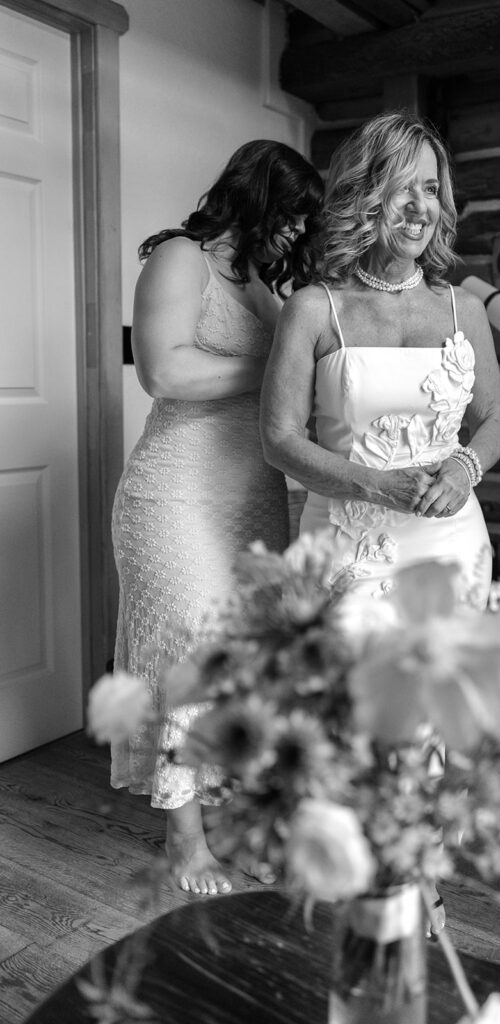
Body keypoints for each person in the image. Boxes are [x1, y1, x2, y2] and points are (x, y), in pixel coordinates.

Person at [259, 111, 500, 937]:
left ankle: (414, 878)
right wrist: (373, 482)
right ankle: (380, 884)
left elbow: (494, 423)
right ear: (365, 196)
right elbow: (279, 439)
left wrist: (464, 468)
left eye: (430, 189)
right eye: (401, 188)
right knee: (369, 723)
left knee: (442, 724)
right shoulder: (314, 309)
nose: (419, 208)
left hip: (448, 539)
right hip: (354, 541)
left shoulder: (461, 309)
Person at [111, 141, 323, 896]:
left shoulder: (264, 284)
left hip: (252, 499)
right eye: (292, 213)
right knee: (192, 654)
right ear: (255, 196)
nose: (299, 232)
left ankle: (228, 815)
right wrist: (278, 366)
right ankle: (185, 842)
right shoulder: (181, 258)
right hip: (174, 496)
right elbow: (164, 371)